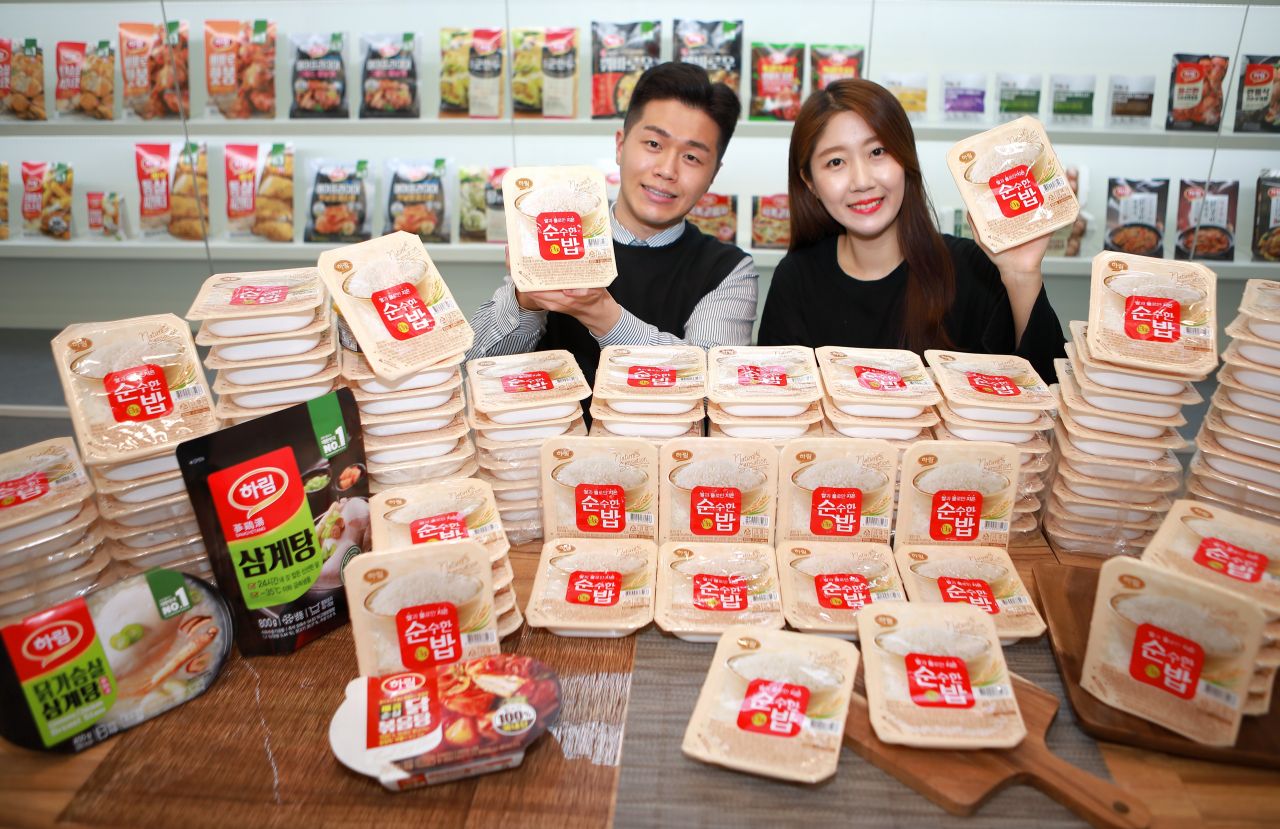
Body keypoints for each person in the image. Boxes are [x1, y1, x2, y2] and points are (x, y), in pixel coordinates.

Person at [757, 79, 1065, 383]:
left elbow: (1047, 392)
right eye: (836, 162)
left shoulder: (973, 269)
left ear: (905, 158)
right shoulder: (796, 279)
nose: (862, 181)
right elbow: (772, 399)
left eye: (877, 152)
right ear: (810, 182)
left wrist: (1022, 274)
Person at [467, 63, 758, 383]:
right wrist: (526, 301)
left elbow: (711, 381)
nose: (666, 170)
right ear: (620, 146)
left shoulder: (728, 270)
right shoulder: (562, 231)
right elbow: (475, 369)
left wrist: (601, 313)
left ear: (713, 174)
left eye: (692, 157)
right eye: (654, 144)